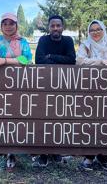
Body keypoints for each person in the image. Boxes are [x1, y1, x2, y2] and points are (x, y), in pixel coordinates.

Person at [0, 12, 32, 169]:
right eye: (5, 23)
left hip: (19, 85)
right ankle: (4, 149)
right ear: (1, 26)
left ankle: (15, 149)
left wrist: (4, 61)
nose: (8, 26)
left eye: (12, 23)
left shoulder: (22, 42)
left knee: (17, 115)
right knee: (2, 115)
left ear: (16, 25)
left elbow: (27, 60)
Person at [77, 19, 107, 171]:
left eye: (98, 29)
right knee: (90, 123)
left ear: (103, 29)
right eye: (92, 30)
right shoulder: (86, 45)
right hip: (89, 90)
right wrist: (102, 62)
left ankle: (104, 158)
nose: (96, 32)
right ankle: (89, 157)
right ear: (89, 32)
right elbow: (79, 61)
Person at [34, 15, 76, 167]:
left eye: (58, 25)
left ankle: (56, 150)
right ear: (49, 27)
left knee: (59, 118)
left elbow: (71, 60)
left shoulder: (68, 41)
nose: (56, 28)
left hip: (62, 85)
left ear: (62, 27)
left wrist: (51, 56)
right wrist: (60, 59)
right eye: (53, 26)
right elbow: (38, 60)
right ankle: (43, 153)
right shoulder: (43, 40)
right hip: (44, 85)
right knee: (44, 117)